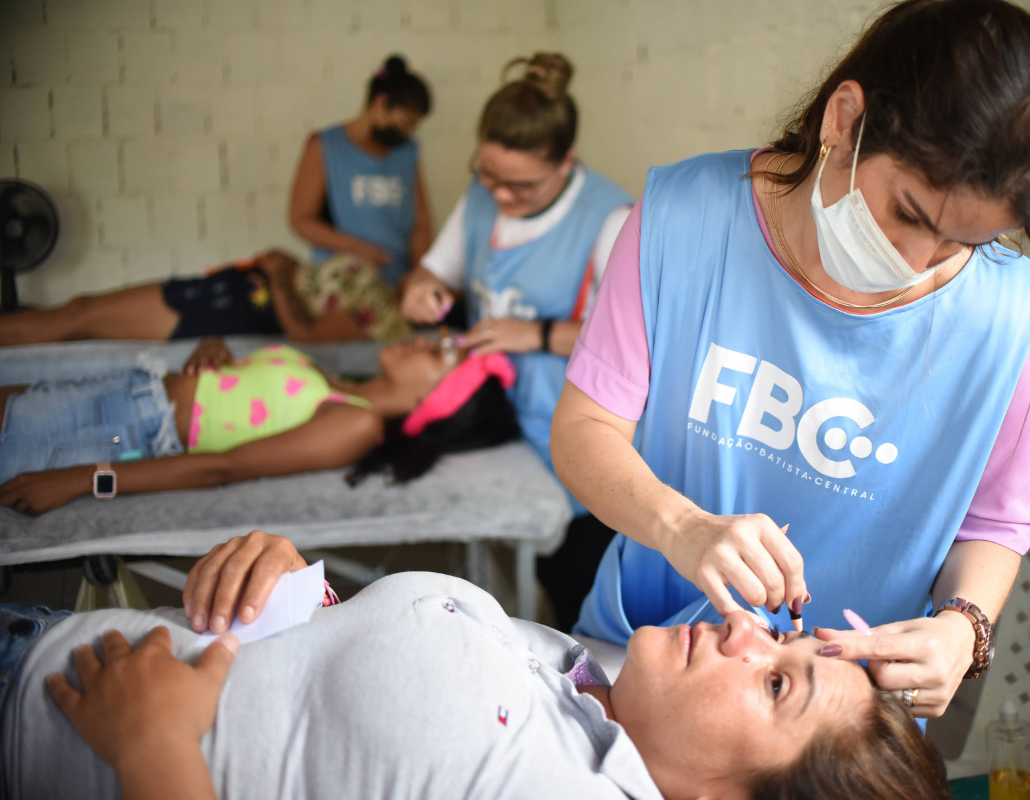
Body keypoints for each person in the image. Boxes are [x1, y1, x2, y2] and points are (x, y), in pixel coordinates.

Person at [551, 0, 1030, 720]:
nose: (916, 264)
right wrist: (682, 527)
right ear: (844, 119)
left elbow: (995, 523)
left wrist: (963, 629)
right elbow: (584, 431)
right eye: (909, 215)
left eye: (963, 243)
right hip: (643, 656)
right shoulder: (683, 217)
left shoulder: (1003, 316)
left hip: (834, 724)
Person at [1, 531, 950, 799]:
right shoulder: (600, 695)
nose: (747, 628)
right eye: (786, 638)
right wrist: (294, 598)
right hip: (50, 643)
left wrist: (153, 747)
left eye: (776, 681)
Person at [401, 53, 635, 631]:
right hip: (500, 427)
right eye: (487, 175)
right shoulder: (483, 196)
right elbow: (434, 273)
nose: (500, 196)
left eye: (521, 185)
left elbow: (641, 347)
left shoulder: (610, 219)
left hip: (572, 438)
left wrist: (534, 334)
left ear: (566, 163)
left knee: (576, 598)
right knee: (508, 581)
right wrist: (422, 291)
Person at [0, 337, 519, 515]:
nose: (423, 341)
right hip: (128, 393)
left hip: (121, 430)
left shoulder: (355, 424)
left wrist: (83, 480)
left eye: (436, 356)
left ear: (433, 399)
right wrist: (212, 347)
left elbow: (223, 468)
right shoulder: (340, 383)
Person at [0, 250, 411, 346]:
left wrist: (278, 277)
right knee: (80, 310)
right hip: (225, 289)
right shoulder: (377, 276)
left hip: (223, 313)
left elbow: (308, 335)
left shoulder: (384, 321)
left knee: (80, 316)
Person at [290, 55, 433, 288]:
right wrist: (357, 248)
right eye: (404, 123)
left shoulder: (407, 152)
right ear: (380, 104)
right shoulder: (326, 146)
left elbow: (420, 225)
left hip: (396, 281)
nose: (407, 133)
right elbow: (300, 219)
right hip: (342, 282)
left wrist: (420, 276)